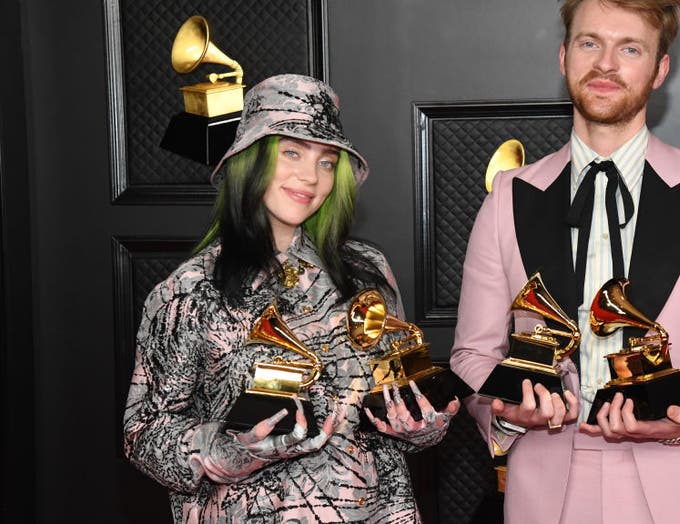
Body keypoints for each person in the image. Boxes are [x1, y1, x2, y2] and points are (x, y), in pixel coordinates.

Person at [449, 1, 680, 523]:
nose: (606, 63)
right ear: (564, 56)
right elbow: (472, 354)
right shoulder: (507, 197)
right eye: (590, 43)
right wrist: (506, 411)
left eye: (629, 48)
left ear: (659, 70)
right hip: (546, 489)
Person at [124, 74, 459, 523]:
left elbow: (392, 399)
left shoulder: (368, 270)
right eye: (292, 152)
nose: (310, 176)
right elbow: (143, 434)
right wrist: (224, 449)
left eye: (326, 161)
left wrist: (420, 427)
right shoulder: (188, 291)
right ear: (251, 159)